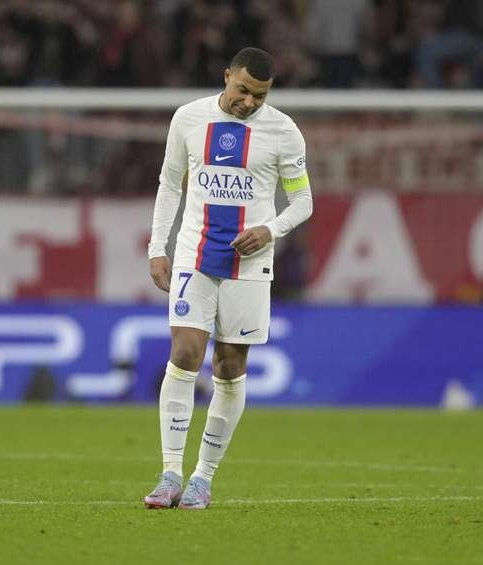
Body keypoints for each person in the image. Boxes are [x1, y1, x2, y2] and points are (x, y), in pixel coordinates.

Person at [143, 47, 313, 510]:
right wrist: (158, 248)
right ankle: (170, 473)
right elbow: (169, 184)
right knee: (184, 353)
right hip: (194, 253)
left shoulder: (283, 131)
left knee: (229, 366)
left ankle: (202, 478)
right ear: (226, 77)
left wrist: (270, 229)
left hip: (249, 263)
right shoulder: (188, 118)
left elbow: (303, 201)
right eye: (243, 90)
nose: (249, 102)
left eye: (260, 95)